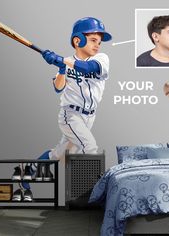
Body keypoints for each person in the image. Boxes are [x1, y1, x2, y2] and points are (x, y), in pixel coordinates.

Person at [11, 17, 112, 197]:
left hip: (90, 116)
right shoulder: (65, 63)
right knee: (89, 147)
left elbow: (89, 68)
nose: (98, 45)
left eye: (99, 41)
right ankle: (95, 193)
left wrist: (62, 61)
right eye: (93, 40)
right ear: (77, 40)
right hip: (70, 114)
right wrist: (62, 69)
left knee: (60, 153)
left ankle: (28, 171)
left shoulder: (101, 59)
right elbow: (58, 88)